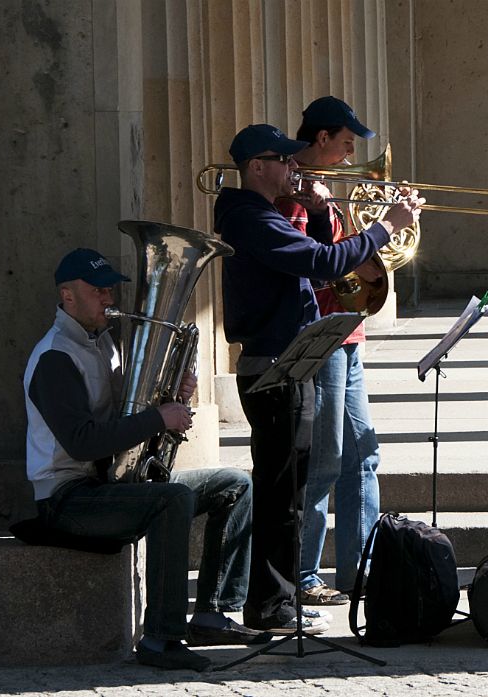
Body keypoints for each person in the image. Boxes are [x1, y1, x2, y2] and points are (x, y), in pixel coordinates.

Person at [214, 124, 422, 632]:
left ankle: (279, 601)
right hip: (273, 366)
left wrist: (327, 211)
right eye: (283, 161)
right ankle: (269, 605)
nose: (294, 167)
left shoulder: (264, 213)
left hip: (293, 360)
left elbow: (327, 271)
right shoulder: (249, 216)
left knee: (290, 492)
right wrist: (384, 227)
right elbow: (319, 260)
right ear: (257, 168)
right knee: (280, 494)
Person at [24, 248, 263, 673]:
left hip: (105, 486)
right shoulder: (54, 357)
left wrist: (173, 400)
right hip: (67, 500)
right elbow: (81, 443)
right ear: (67, 295)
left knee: (235, 483)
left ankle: (212, 613)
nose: (108, 299)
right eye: (98, 291)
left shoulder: (103, 344)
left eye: (110, 290)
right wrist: (158, 417)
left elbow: (121, 420)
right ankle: (161, 638)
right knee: (170, 500)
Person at [275, 96, 384, 606]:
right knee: (325, 458)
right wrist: (383, 227)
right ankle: (302, 573)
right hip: (320, 334)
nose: (348, 156)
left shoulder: (324, 191)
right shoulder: (293, 192)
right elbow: (318, 264)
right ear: (321, 139)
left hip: (349, 331)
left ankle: (359, 571)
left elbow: (352, 257)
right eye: (344, 145)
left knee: (363, 455)